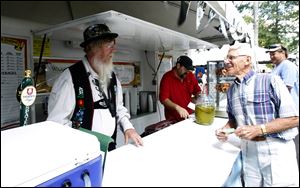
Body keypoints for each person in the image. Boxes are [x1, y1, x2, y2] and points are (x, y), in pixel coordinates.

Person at [47, 24, 143, 151]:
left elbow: (118, 108)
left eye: (113, 44)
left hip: (109, 150)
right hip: (82, 156)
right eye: (109, 45)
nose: (113, 50)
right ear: (94, 48)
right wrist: (93, 139)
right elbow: (56, 124)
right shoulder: (70, 78)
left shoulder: (112, 77)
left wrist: (128, 128)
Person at [215, 42, 299, 187]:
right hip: (249, 152)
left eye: (231, 57)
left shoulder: (270, 80)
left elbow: (294, 118)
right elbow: (233, 121)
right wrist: (225, 129)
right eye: (226, 58)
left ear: (247, 60)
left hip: (275, 150)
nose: (226, 61)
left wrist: (259, 129)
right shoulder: (231, 91)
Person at [266, 44, 299, 166]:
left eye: (274, 53)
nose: (271, 56)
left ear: (283, 53)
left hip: (291, 113)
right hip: (282, 113)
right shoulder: (277, 67)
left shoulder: (287, 66)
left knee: (293, 144)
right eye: (270, 53)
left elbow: (286, 89)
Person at [159, 55, 201, 122]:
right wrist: (177, 108)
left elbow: (197, 91)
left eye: (189, 70)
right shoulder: (167, 78)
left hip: (190, 116)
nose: (187, 72)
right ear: (178, 66)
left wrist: (199, 96)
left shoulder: (190, 76)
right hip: (173, 119)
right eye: (185, 69)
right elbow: (164, 99)